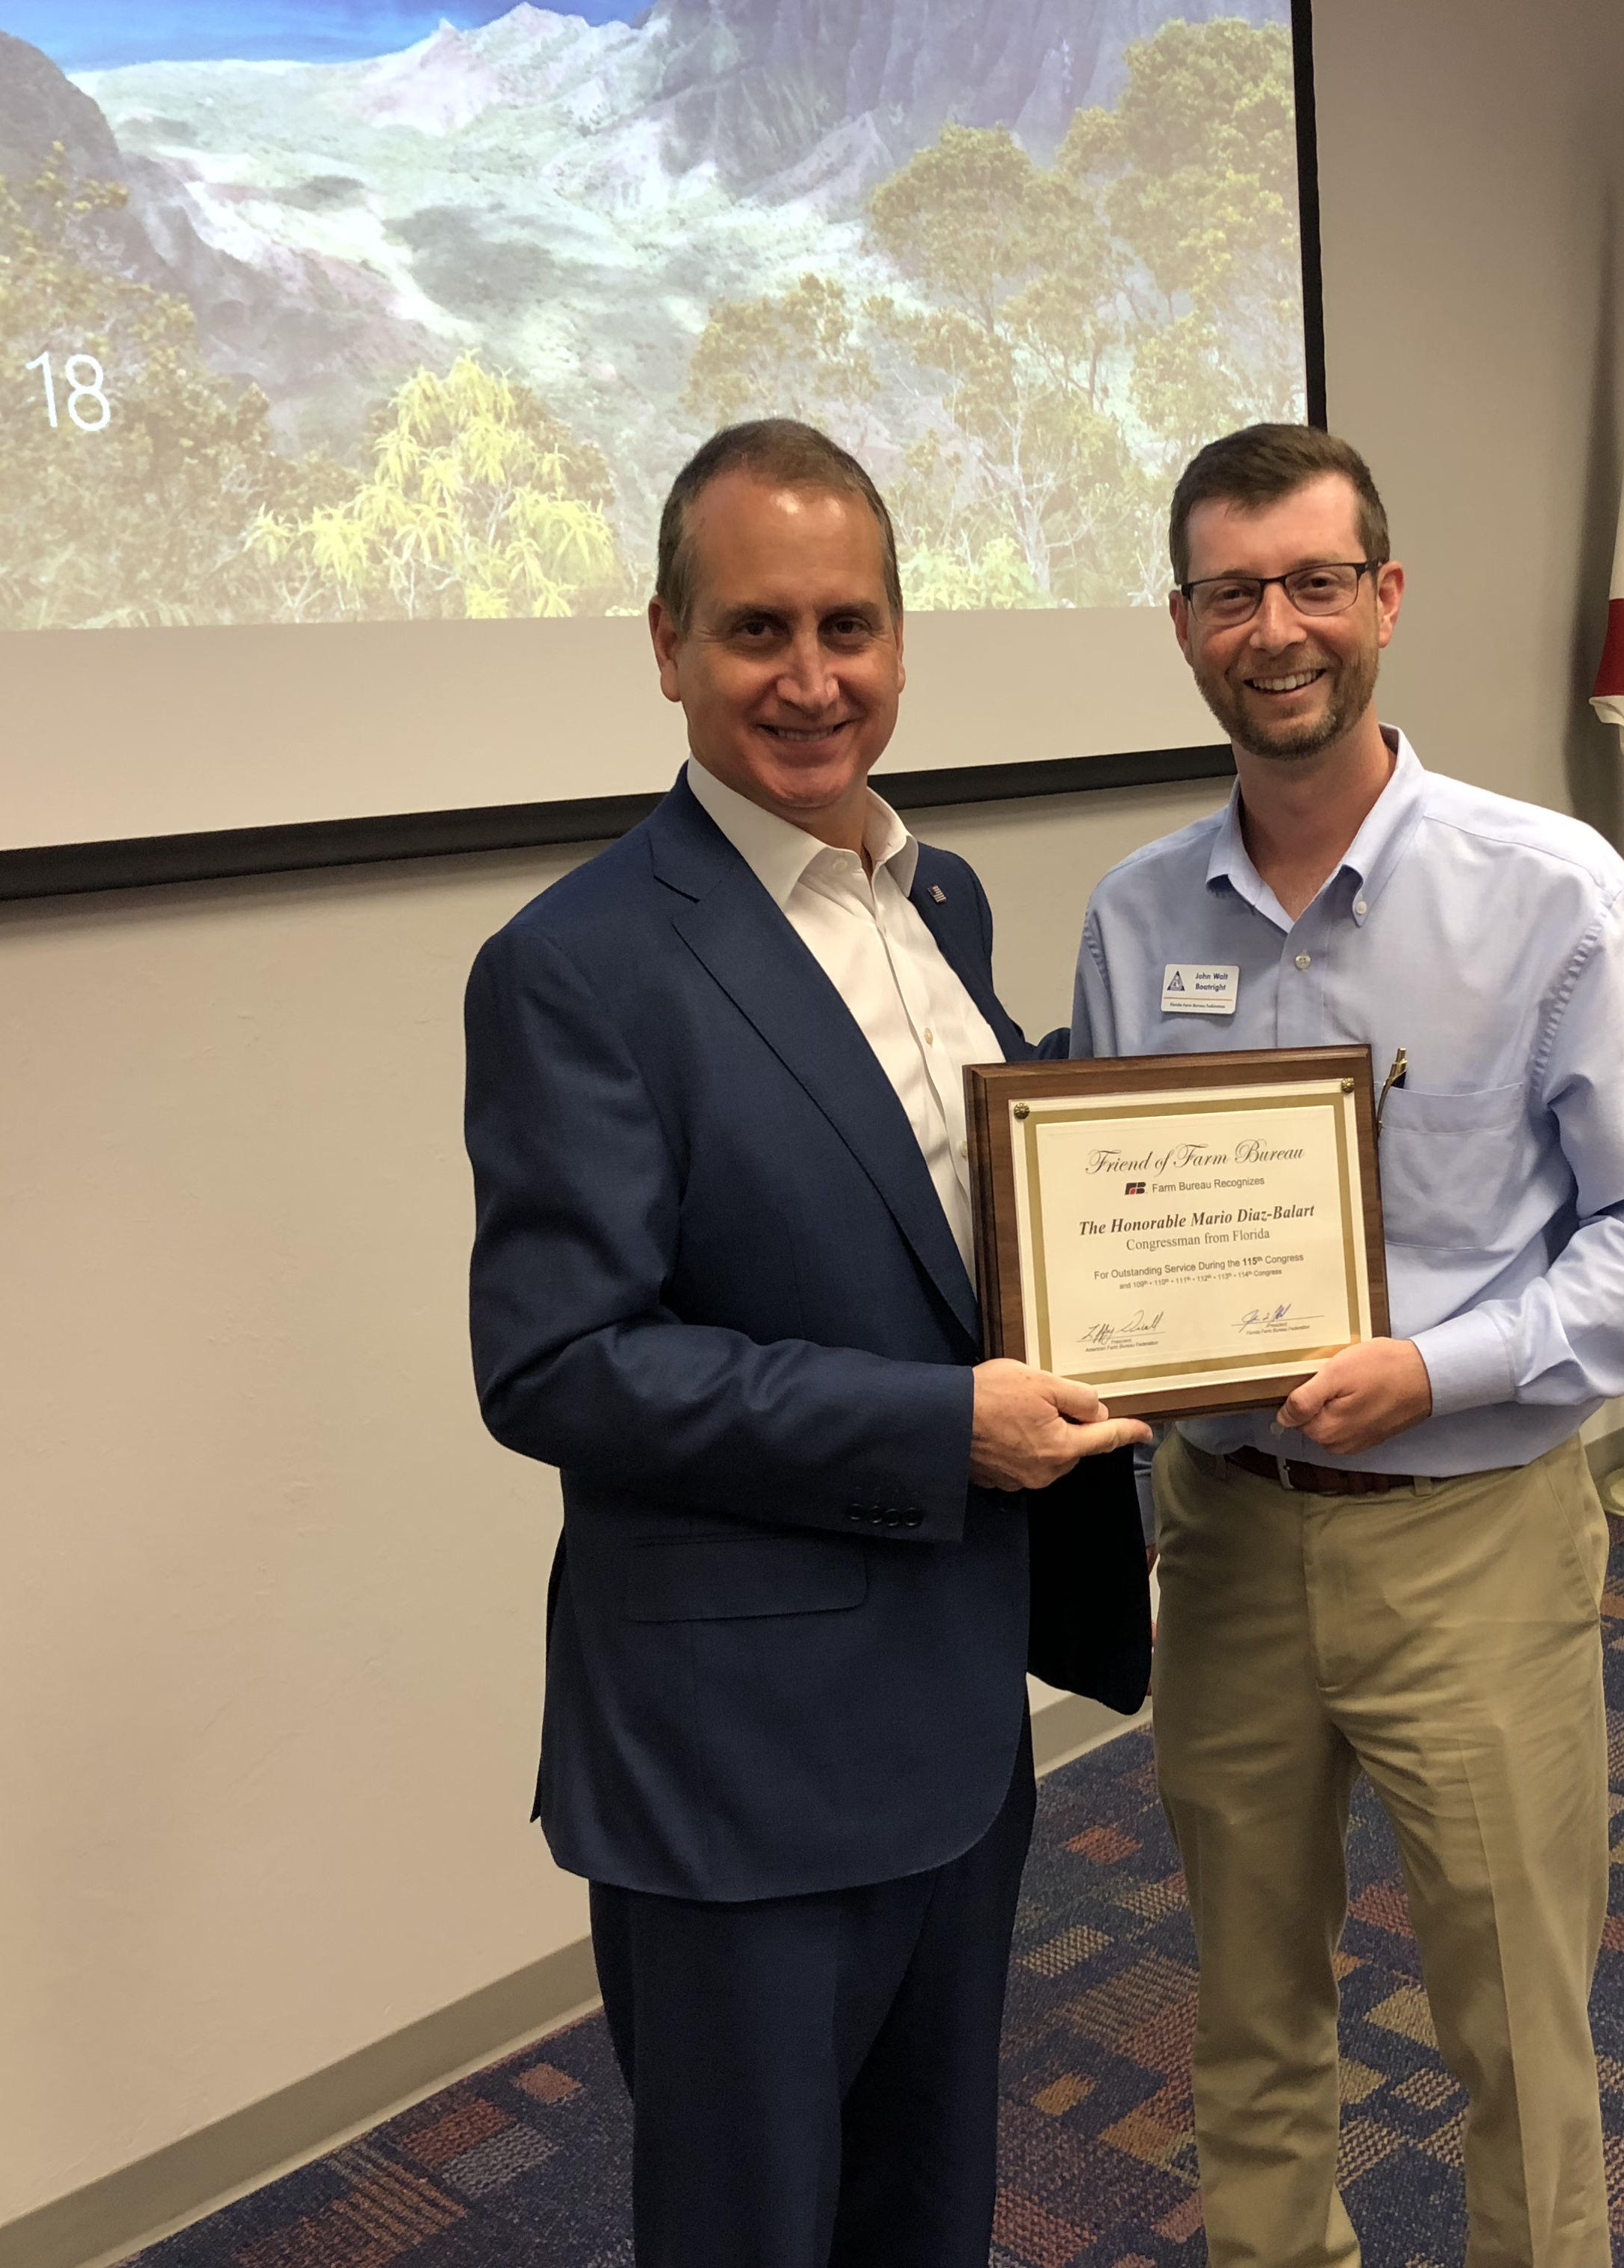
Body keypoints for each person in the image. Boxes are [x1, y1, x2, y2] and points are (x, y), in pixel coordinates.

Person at [463, 418, 1153, 2268]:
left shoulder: (944, 898)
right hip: (737, 1751)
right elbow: (559, 1365)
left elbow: (946, 1236)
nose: (811, 677)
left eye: (850, 625)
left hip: (951, 1705)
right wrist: (941, 1429)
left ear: (906, 641)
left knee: (927, 2207)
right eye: (757, 629)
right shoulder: (579, 964)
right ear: (666, 644)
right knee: (754, 2227)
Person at [1071, 424, 1624, 2268]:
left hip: (1469, 1540)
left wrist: (1437, 1368)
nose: (1273, 628)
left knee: (1516, 2036)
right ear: (1185, 623)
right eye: (1231, 592)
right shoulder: (1135, 920)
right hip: (1221, 1538)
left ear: (1386, 599)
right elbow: (1104, 1230)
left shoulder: (1548, 892)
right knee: (1246, 2014)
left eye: (1312, 582)